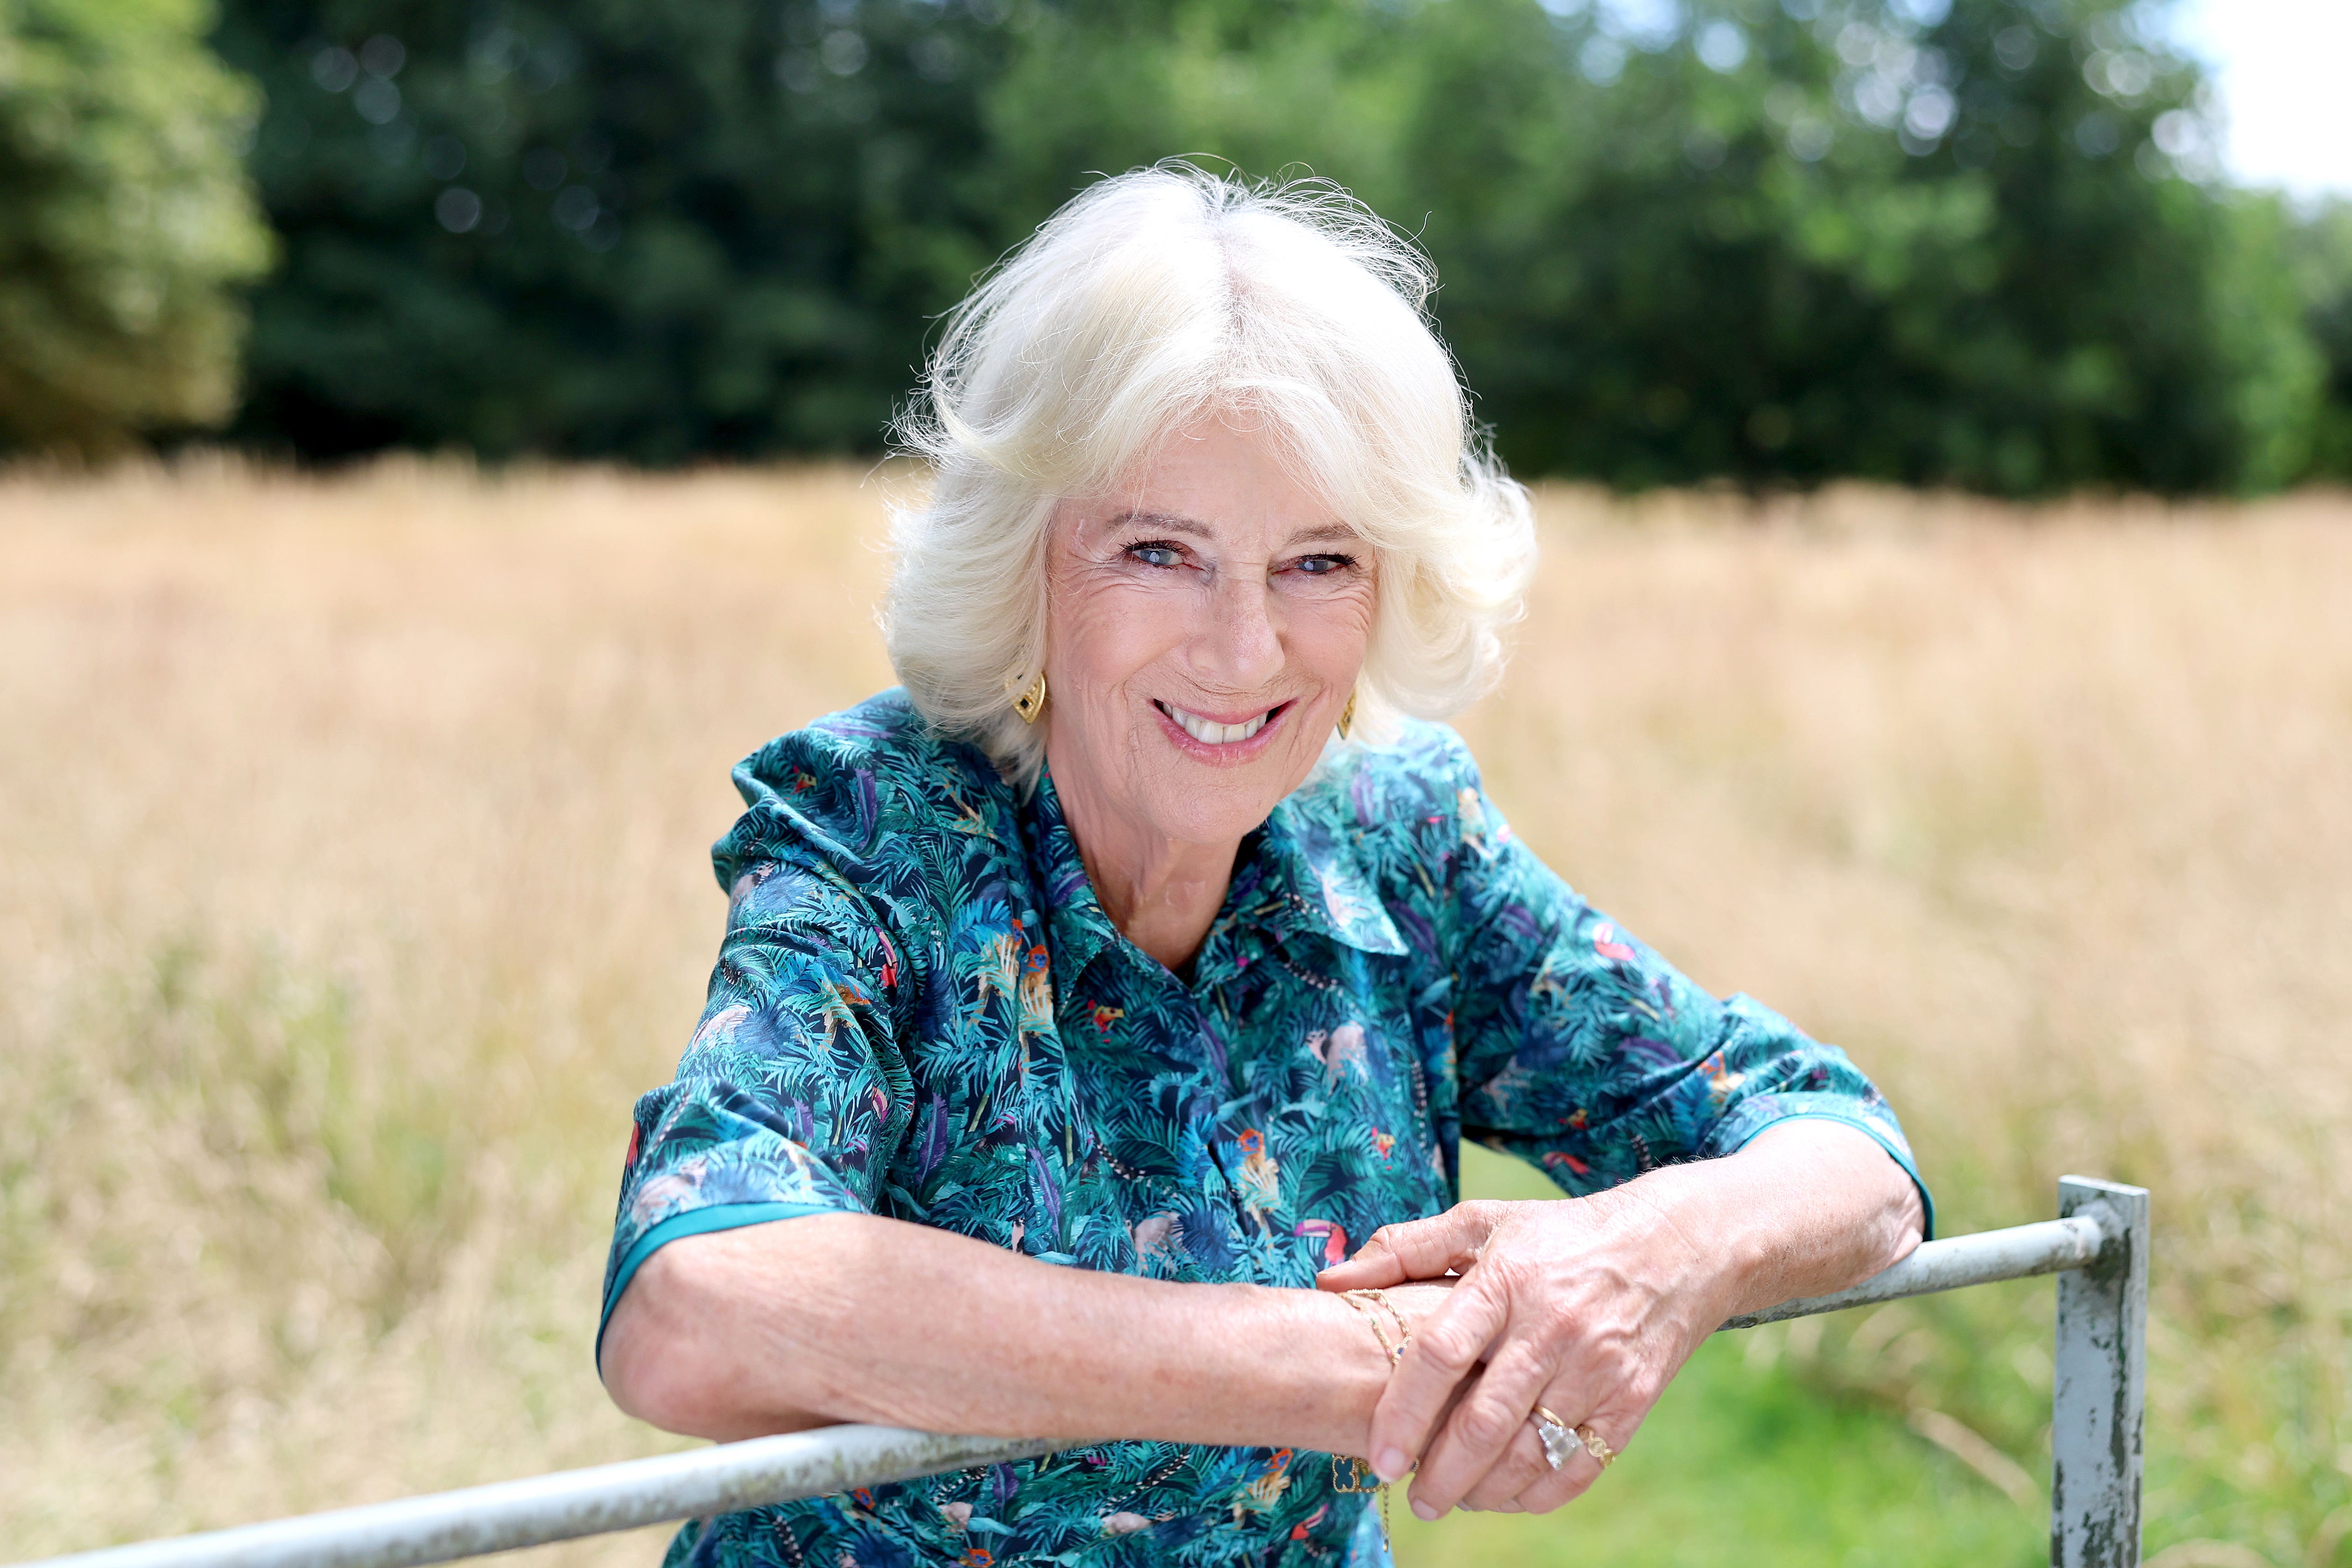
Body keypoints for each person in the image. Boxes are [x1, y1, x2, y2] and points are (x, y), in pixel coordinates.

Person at [596, 163, 1930, 1568]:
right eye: (1161, 552)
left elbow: (1844, 1150)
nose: (1244, 652)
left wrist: (1647, 1254)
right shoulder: (882, 826)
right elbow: (696, 1303)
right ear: (1028, 568)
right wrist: (1351, 1362)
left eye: (1319, 564)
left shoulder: (1404, 842)